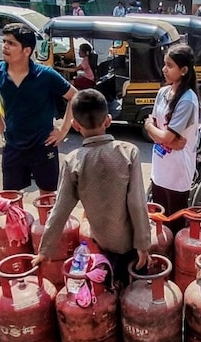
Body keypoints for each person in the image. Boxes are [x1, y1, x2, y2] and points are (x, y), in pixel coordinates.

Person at [35, 89, 151, 285]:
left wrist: (45, 250)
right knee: (136, 296)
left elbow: (60, 210)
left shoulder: (73, 161)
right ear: (108, 120)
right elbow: (137, 203)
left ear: (75, 125)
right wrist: (143, 244)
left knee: (108, 293)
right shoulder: (129, 152)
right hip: (132, 243)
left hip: (103, 244)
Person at [0, 23, 76, 196]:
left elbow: (74, 96)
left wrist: (63, 130)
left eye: (11, 43)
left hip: (43, 145)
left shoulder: (45, 75)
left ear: (26, 51)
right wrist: (1, 127)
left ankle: (45, 224)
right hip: (13, 145)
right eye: (4, 41)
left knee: (47, 197)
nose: (5, 46)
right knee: (10, 198)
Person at [143, 44, 199, 234]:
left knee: (174, 225)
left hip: (177, 174)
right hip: (159, 169)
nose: (164, 69)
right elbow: (160, 133)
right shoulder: (163, 93)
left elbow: (162, 133)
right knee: (159, 221)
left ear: (183, 70)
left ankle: (175, 262)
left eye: (170, 65)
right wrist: (160, 136)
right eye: (164, 64)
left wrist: (153, 129)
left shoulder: (188, 100)